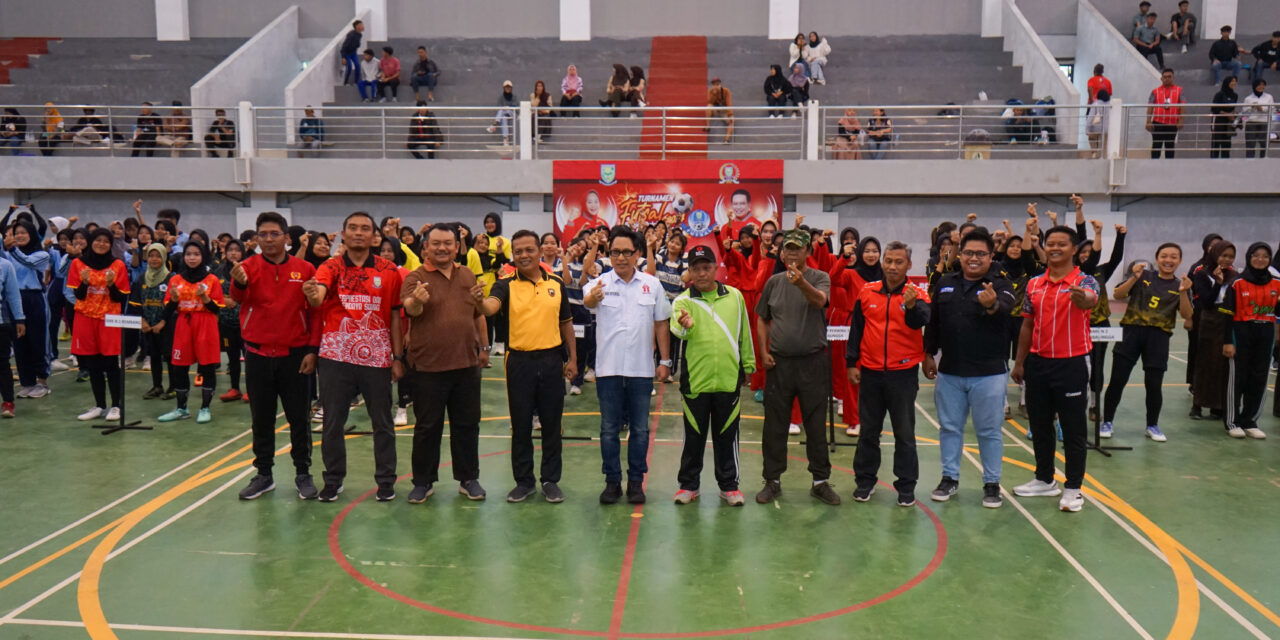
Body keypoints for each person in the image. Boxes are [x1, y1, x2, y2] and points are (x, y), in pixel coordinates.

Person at [305, 211, 405, 503]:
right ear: (343, 234)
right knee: (333, 422)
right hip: (336, 356)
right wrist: (312, 294)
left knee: (382, 423)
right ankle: (333, 480)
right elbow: (318, 296)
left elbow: (395, 317)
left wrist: (398, 356)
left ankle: (386, 481)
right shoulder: (330, 266)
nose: (358, 232)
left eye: (365, 228)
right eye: (352, 228)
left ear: (375, 237)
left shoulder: (389, 271)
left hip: (377, 357)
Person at [481, 230, 577, 503]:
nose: (523, 255)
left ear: (540, 252)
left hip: (552, 361)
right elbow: (490, 307)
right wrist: (478, 301)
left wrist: (573, 358)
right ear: (513, 255)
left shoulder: (556, 283)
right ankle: (524, 482)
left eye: (529, 250)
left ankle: (550, 480)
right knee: (521, 425)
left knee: (552, 424)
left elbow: (566, 323)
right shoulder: (505, 284)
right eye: (518, 251)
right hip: (519, 362)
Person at [1010, 226, 1100, 513]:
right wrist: (1020, 362)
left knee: (1073, 429)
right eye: (1051, 243)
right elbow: (1027, 324)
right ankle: (1044, 479)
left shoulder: (1085, 281)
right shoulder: (1034, 283)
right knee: (1039, 425)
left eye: (1062, 244)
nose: (1055, 248)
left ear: (1074, 249)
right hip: (1038, 364)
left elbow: (1090, 299)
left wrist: (1082, 298)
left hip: (1072, 363)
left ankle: (1073, 488)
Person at [923, 230, 1013, 508]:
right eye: (968, 253)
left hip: (989, 373)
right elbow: (934, 322)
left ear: (991, 256)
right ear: (960, 255)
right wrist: (928, 354)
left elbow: (1006, 307)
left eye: (980, 254)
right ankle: (949, 478)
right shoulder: (946, 283)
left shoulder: (1000, 283)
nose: (974, 258)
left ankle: (992, 484)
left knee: (989, 431)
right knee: (949, 428)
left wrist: (991, 305)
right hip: (950, 371)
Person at [583, 226, 672, 505]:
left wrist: (665, 361)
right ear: (609, 254)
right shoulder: (599, 284)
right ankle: (612, 482)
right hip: (608, 370)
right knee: (609, 430)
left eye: (626, 252)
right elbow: (587, 300)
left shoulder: (652, 284)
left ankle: (635, 482)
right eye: (615, 252)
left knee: (640, 430)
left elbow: (661, 323)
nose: (620, 258)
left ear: (637, 254)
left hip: (641, 371)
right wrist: (593, 298)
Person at [401, 224, 489, 503]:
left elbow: (477, 314)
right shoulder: (416, 277)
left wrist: (484, 347)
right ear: (425, 247)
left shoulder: (467, 274)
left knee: (467, 425)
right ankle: (423, 481)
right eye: (436, 243)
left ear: (456, 246)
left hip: (466, 364)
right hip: (428, 367)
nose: (442, 248)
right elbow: (410, 309)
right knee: (427, 427)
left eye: (448, 243)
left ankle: (468, 478)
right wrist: (417, 301)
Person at [754, 229, 838, 506]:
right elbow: (762, 318)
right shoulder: (774, 282)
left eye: (797, 248)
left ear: (807, 252)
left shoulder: (820, 278)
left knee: (815, 424)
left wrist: (801, 282)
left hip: (813, 361)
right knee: (775, 424)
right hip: (779, 363)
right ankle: (772, 480)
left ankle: (820, 482)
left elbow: (820, 301)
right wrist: (763, 352)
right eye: (787, 248)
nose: (791, 253)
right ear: (781, 253)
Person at [847, 241, 931, 507]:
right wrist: (851, 363)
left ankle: (906, 486)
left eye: (899, 262)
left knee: (904, 433)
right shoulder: (867, 291)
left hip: (903, 374)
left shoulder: (918, 294)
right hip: (870, 373)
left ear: (909, 265)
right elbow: (856, 329)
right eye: (889, 261)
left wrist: (911, 306)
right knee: (868, 432)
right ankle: (865, 481)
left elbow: (921, 321)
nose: (892, 266)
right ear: (883, 262)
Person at [669, 245, 754, 506]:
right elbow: (676, 330)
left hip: (728, 379)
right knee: (693, 437)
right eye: (696, 268)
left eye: (706, 267)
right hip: (696, 381)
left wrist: (749, 364)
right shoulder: (683, 301)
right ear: (690, 272)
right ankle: (688, 485)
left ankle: (729, 486)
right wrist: (685, 325)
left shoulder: (735, 297)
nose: (702, 273)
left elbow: (744, 332)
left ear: (716, 269)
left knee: (727, 436)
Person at [1100, 245, 1193, 442]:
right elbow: (1118, 295)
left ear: (1180, 261)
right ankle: (1107, 421)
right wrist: (1133, 278)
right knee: (1117, 380)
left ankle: (1152, 425)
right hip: (1131, 333)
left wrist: (1184, 292)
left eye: (1174, 257)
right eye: (1164, 256)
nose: (1168, 260)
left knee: (1154, 385)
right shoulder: (1143, 276)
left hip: (1158, 338)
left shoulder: (1181, 285)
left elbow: (1187, 314)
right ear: (1157, 258)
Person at [156, 241, 224, 424]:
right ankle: (182, 408)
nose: (192, 258)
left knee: (207, 367)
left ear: (203, 256)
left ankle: (205, 408)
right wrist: (174, 300)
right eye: (188, 254)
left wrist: (204, 297)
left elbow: (217, 309)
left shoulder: (212, 280)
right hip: (183, 324)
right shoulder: (176, 280)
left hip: (206, 324)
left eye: (196, 254)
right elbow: (167, 310)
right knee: (179, 367)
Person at [68, 228, 129, 422]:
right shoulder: (78, 264)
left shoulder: (118, 265)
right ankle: (99, 406)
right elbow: (78, 295)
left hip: (109, 319)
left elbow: (120, 298)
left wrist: (111, 285)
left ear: (111, 244)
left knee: (111, 364)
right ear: (91, 241)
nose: (102, 244)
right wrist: (84, 282)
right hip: (85, 318)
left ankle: (116, 406)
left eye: (106, 241)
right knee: (93, 364)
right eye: (98, 240)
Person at [1220, 242, 1280, 440]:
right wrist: (1227, 341)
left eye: (1265, 256)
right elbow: (1227, 314)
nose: (1260, 259)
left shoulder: (1277, 284)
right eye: (1256, 255)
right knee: (1237, 378)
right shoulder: (1237, 283)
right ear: (1249, 257)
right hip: (1241, 333)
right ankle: (1232, 422)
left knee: (1259, 378)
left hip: (1265, 334)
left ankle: (1250, 420)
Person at [1, 217, 51, 398]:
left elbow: (28, 262)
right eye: (16, 233)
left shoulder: (42, 255)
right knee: (19, 342)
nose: (19, 236)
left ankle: (42, 382)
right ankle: (27, 382)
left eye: (23, 233)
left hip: (34, 298)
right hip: (14, 299)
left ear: (32, 234)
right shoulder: (8, 255)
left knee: (38, 340)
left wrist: (12, 249)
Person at [1190, 240, 1235, 421]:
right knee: (1205, 363)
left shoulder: (1235, 276)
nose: (1227, 260)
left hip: (1228, 321)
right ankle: (1197, 404)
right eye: (1223, 255)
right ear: (1215, 255)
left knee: (1223, 365)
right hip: (1209, 321)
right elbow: (1207, 301)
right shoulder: (1202, 274)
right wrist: (1217, 283)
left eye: (1230, 256)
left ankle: (1218, 406)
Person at [130, 243, 174, 400]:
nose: (154, 259)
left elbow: (173, 304)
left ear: (164, 257)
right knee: (154, 356)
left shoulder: (171, 279)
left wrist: (162, 322)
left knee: (169, 357)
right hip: (148, 326)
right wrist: (142, 321)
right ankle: (157, 386)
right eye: (151, 256)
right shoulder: (141, 279)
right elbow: (135, 302)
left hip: (166, 326)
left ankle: (173, 387)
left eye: (158, 256)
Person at [213, 240, 246, 402]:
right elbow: (211, 292)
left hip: (245, 323)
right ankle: (234, 388)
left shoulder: (247, 269)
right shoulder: (218, 271)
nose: (233, 253)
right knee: (232, 358)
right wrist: (223, 300)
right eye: (230, 250)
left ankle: (252, 389)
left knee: (249, 357)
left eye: (237, 250)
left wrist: (236, 300)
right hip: (226, 322)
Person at [1147, 68, 1184, 159]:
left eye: (1169, 77)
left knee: (1170, 146)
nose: (1167, 79)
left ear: (1173, 78)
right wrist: (1148, 121)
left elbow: (1182, 106)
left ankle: (1169, 166)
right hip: (1158, 123)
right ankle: (1154, 165)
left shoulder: (1179, 90)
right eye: (1165, 77)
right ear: (1161, 78)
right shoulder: (1155, 91)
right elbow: (1150, 107)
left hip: (1172, 124)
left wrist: (1181, 121)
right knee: (1156, 146)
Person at [1242, 79, 1274, 158]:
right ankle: (1250, 161)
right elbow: (1244, 113)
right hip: (1251, 123)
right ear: (1255, 86)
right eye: (1259, 85)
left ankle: (1263, 160)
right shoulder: (1248, 98)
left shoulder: (1269, 97)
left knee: (1264, 144)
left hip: (1264, 122)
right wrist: (1251, 107)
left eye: (1263, 85)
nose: (1261, 87)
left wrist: (1262, 109)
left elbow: (1272, 109)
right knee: (1250, 144)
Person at [1210, 76, 1240, 158]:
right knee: (1216, 144)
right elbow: (1214, 109)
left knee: (1226, 145)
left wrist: (1233, 115)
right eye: (1232, 81)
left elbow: (1233, 108)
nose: (1234, 83)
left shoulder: (1235, 95)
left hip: (1228, 123)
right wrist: (1226, 114)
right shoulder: (1219, 94)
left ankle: (1225, 163)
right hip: (1219, 121)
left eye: (1235, 81)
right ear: (1227, 82)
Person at [488, 80, 518, 145]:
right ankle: (505, 139)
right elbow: (498, 108)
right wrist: (504, 108)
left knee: (505, 110)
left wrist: (508, 107)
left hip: (512, 114)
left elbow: (516, 107)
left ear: (511, 88)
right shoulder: (501, 97)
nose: (507, 88)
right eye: (506, 87)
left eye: (509, 87)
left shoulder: (514, 97)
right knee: (503, 117)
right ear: (504, 88)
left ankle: (494, 124)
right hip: (504, 114)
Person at [704, 78, 734, 143]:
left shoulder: (726, 91)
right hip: (715, 109)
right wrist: (714, 94)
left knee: (731, 121)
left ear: (721, 84)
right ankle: (708, 126)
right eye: (714, 85)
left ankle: (726, 139)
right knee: (708, 107)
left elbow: (729, 103)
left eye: (717, 84)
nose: (716, 86)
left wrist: (730, 114)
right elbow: (710, 102)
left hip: (724, 110)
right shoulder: (710, 91)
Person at [1086, 89, 1112, 157]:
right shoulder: (1110, 106)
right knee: (1104, 145)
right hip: (1106, 130)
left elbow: (1090, 118)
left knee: (1091, 138)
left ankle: (1094, 152)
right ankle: (1102, 157)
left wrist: (1087, 130)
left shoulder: (1095, 104)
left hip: (1095, 129)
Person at [339, 20, 364, 86]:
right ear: (357, 26)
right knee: (349, 67)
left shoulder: (360, 35)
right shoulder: (351, 35)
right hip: (347, 53)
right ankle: (346, 82)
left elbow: (357, 44)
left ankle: (356, 82)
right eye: (361, 25)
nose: (363, 26)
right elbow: (344, 46)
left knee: (357, 65)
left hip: (353, 52)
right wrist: (343, 57)